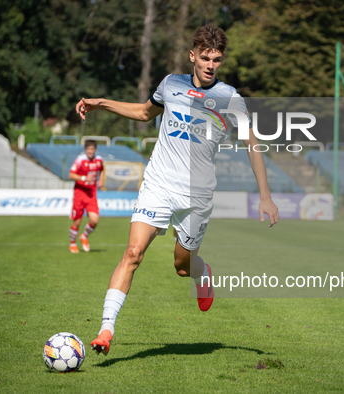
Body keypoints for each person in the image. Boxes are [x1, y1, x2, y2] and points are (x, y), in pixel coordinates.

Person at [75, 24, 279, 356]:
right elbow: (143, 112)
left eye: (217, 59)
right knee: (132, 254)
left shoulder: (229, 98)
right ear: (192, 56)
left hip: (196, 197)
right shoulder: (171, 85)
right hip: (158, 184)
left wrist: (266, 196)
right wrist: (101, 104)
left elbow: (251, 143)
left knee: (183, 266)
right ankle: (105, 330)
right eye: (205, 57)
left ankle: (203, 273)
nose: (211, 65)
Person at [67, 140, 104, 253]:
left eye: (92, 149)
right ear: (85, 149)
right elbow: (70, 175)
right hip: (79, 194)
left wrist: (101, 180)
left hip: (91, 194)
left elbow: (102, 170)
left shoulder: (99, 160)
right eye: (88, 149)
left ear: (95, 150)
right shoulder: (80, 160)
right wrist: (83, 178)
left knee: (94, 220)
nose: (90, 151)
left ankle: (84, 236)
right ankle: (72, 243)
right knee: (77, 222)